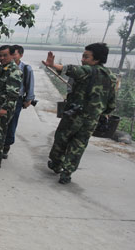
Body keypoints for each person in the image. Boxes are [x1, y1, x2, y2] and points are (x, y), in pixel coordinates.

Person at [42, 43, 116, 184]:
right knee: (79, 145)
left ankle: (57, 164)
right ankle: (67, 173)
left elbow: (71, 70)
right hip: (91, 120)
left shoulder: (87, 70)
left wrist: (53, 65)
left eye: (86, 57)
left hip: (74, 116)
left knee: (61, 139)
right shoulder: (111, 77)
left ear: (96, 60)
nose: (82, 59)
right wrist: (104, 112)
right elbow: (111, 102)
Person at [0, 45, 36, 157]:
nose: (2, 58)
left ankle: (1, 152)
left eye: (7, 55)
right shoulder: (2, 67)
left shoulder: (17, 70)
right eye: (0, 55)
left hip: (10, 103)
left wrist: (28, 99)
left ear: (19, 55)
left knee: (6, 128)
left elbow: (14, 93)